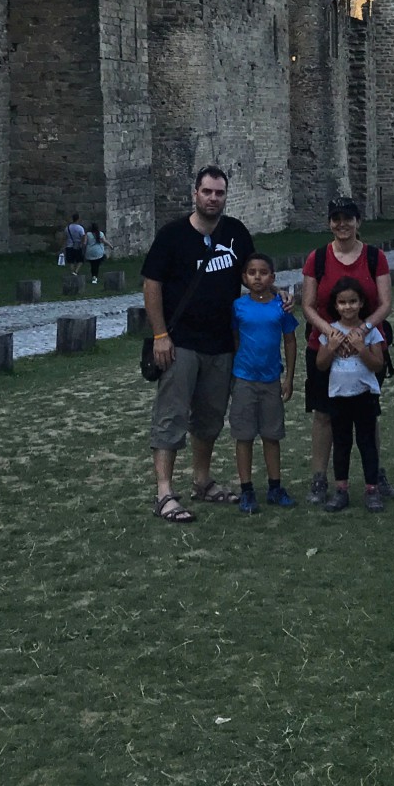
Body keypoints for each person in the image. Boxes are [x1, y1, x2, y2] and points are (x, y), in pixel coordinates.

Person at [140, 166, 254, 524]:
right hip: (181, 343)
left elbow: (253, 276)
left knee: (209, 418)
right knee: (171, 416)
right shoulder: (173, 235)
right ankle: (164, 492)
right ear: (195, 194)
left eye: (219, 193)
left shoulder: (235, 233)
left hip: (221, 343)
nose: (213, 198)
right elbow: (151, 284)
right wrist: (160, 334)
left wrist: (275, 296)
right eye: (207, 192)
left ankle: (202, 481)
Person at [299, 197, 393, 504]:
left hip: (364, 345)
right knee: (324, 414)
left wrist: (362, 331)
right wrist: (331, 333)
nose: (342, 224)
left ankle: (374, 475)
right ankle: (319, 479)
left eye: (348, 218)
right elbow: (308, 305)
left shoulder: (374, 257)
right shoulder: (318, 259)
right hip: (325, 347)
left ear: (358, 222)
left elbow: (384, 303)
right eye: (336, 218)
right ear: (329, 223)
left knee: (367, 415)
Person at [228, 253, 299, 513]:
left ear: (272, 277)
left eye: (263, 272)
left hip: (271, 379)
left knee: (272, 435)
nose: (257, 277)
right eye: (252, 272)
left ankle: (275, 486)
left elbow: (290, 341)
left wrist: (289, 377)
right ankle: (246, 489)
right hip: (245, 379)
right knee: (244, 436)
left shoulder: (281, 307)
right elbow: (235, 339)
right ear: (245, 278)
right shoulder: (238, 307)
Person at [316, 276, 388, 513]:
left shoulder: (371, 332)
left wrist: (361, 349)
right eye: (342, 302)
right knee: (342, 443)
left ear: (361, 303)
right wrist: (331, 347)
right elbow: (321, 364)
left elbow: (378, 364)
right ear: (335, 305)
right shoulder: (331, 332)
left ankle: (372, 489)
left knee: (367, 442)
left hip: (364, 395)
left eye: (353, 302)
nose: (348, 307)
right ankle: (341, 490)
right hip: (338, 396)